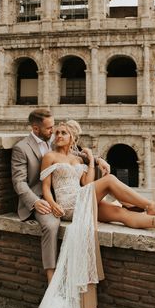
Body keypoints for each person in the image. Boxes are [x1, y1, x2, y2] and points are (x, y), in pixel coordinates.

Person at [37, 120, 155, 308]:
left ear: (72, 137)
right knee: (109, 181)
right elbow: (46, 186)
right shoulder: (50, 157)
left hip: (83, 200)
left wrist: (90, 161)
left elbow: (86, 183)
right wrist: (51, 203)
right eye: (56, 132)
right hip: (68, 205)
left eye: (63, 132)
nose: (58, 135)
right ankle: (151, 206)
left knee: (119, 212)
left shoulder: (77, 159)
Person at [11, 108, 109, 284]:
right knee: (51, 225)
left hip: (63, 196)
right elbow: (19, 182)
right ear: (35, 129)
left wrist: (98, 159)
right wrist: (35, 202)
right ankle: (51, 277)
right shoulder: (21, 148)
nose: (54, 131)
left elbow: (75, 154)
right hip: (40, 199)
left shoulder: (53, 140)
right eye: (49, 128)